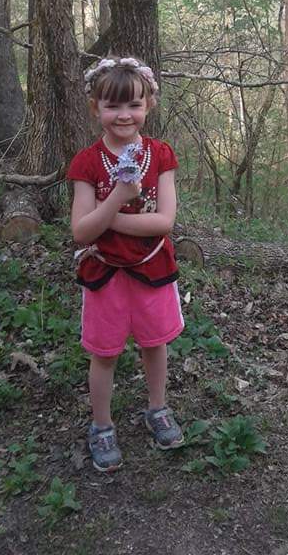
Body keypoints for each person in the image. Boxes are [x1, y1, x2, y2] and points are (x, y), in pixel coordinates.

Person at [67, 55, 184, 473]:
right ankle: (102, 425)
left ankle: (158, 408)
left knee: (155, 343)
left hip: (152, 269)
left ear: (148, 105)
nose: (123, 114)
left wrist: (107, 217)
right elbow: (81, 232)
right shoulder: (87, 162)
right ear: (95, 107)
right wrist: (118, 196)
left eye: (134, 104)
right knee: (104, 353)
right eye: (112, 105)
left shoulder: (161, 155)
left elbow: (164, 221)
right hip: (105, 273)